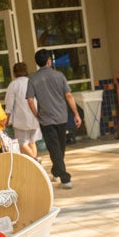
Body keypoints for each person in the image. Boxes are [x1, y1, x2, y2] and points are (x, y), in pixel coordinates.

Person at [30, 50, 81, 189]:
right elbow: (69, 96)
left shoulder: (33, 79)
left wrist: (37, 115)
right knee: (58, 147)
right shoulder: (59, 76)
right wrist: (76, 114)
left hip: (45, 119)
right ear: (48, 61)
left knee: (57, 148)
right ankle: (65, 179)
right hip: (61, 117)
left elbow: (29, 100)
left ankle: (56, 170)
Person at [4, 62, 41, 160]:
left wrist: (6, 118)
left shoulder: (13, 84)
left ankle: (35, 160)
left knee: (22, 143)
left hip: (21, 119)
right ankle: (36, 162)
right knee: (32, 142)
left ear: (14, 73)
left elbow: (9, 104)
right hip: (35, 116)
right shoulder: (32, 81)